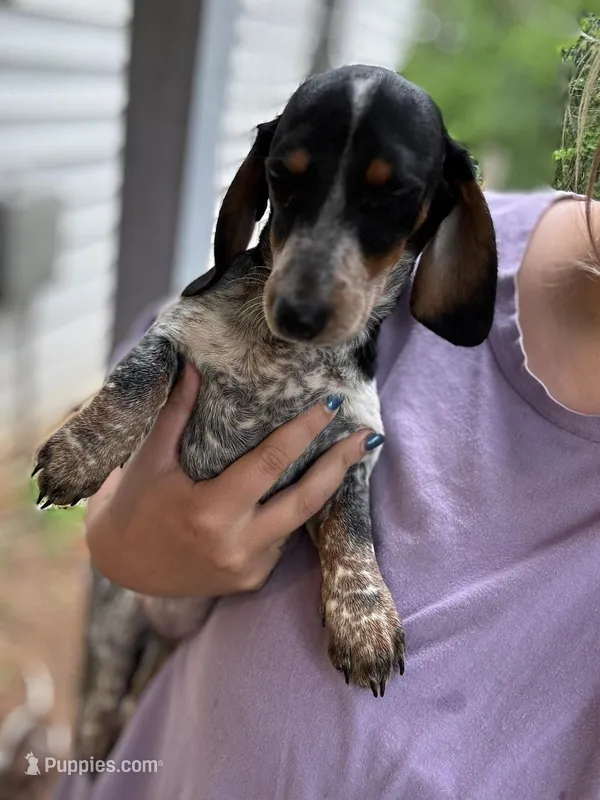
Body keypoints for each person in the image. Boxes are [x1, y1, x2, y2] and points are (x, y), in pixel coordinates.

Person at [57, 87, 600, 800]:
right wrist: (128, 538)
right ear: (259, 186)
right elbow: (157, 390)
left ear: (434, 208)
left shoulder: (445, 249)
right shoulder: (440, 261)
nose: (306, 292)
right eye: (289, 183)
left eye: (387, 199)